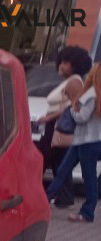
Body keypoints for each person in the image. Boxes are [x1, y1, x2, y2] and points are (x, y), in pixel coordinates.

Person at [37, 46, 93, 208]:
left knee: (41, 159)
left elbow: (74, 106)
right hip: (55, 127)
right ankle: (65, 198)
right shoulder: (70, 81)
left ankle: (34, 195)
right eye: (61, 61)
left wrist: (49, 117)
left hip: (58, 128)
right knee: (59, 163)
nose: (61, 65)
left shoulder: (74, 82)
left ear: (76, 65)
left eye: (66, 63)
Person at [46, 63, 101, 223]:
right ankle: (45, 200)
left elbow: (81, 117)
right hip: (88, 141)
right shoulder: (96, 95)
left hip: (86, 142)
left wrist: (71, 110)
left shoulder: (92, 95)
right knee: (68, 172)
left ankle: (87, 213)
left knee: (80, 175)